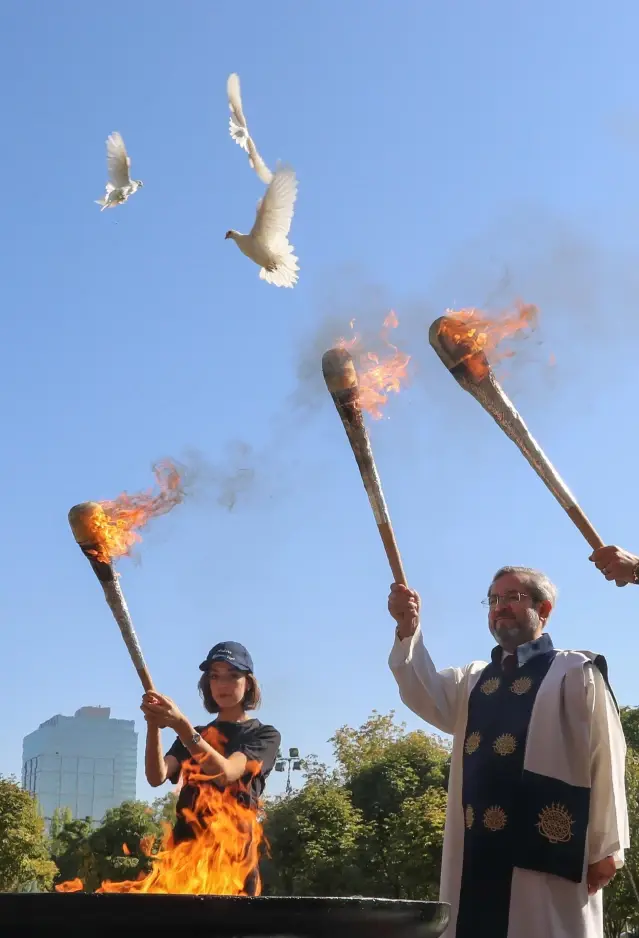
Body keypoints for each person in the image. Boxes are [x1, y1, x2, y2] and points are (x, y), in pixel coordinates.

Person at [388, 566, 629, 938]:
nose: (500, 607)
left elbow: (607, 757)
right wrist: (408, 627)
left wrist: (606, 846)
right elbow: (425, 692)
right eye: (494, 600)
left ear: (543, 609)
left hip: (549, 847)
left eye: (513, 598)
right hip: (476, 850)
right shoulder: (473, 679)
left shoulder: (575, 670)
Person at [141, 640, 281, 894]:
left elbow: (226, 774)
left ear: (248, 682)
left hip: (234, 861)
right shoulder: (197, 734)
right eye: (215, 677)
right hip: (184, 858)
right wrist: (154, 723)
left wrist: (181, 726)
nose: (223, 685)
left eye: (233, 676)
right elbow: (156, 775)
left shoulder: (264, 735)